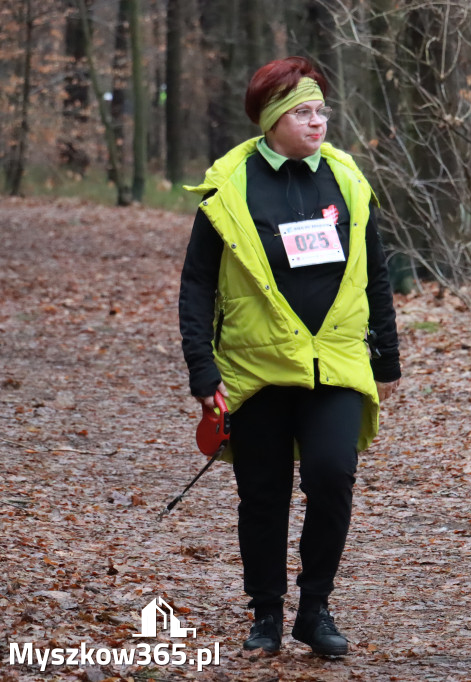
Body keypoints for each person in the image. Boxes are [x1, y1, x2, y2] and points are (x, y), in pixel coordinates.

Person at [178, 56, 401, 657]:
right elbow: (197, 282)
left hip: (335, 364)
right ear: (273, 118)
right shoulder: (230, 184)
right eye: (303, 111)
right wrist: (202, 366)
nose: (317, 121)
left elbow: (373, 270)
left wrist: (388, 357)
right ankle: (267, 613)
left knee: (332, 478)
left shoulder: (348, 178)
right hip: (256, 370)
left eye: (321, 110)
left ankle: (316, 607)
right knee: (264, 493)